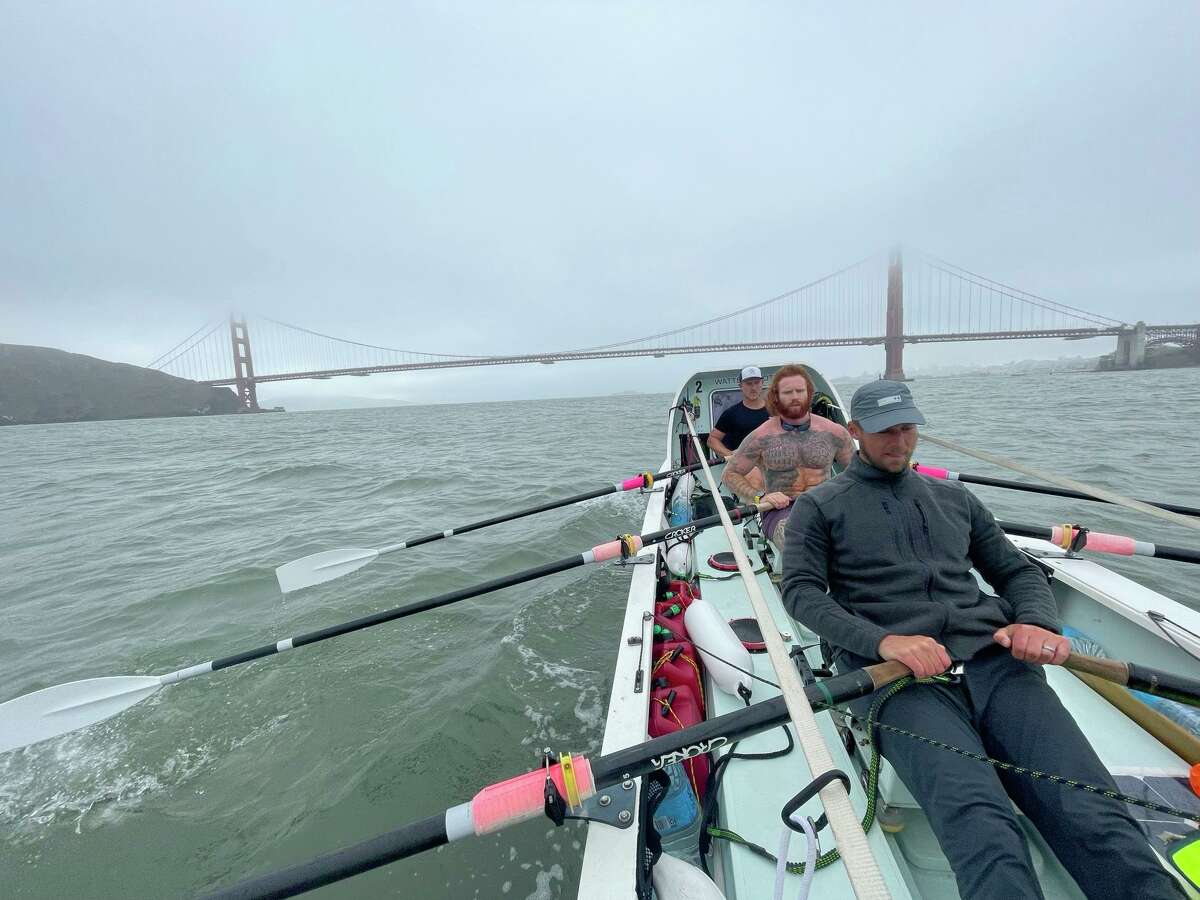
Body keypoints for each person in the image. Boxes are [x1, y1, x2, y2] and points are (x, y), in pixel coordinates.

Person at [781, 380, 1185, 900]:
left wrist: (1037, 623)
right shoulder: (820, 506)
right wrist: (884, 642)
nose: (899, 442)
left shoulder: (954, 498)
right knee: (981, 825)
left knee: (1093, 808)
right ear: (855, 432)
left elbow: (1018, 572)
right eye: (884, 432)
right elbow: (802, 594)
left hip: (995, 663)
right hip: (899, 680)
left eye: (908, 428)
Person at [721, 363, 853, 547]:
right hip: (781, 511)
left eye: (800, 391)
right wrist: (760, 497)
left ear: (809, 393)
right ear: (776, 397)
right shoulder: (761, 437)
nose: (795, 397)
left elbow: (857, 473)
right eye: (787, 392)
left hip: (826, 504)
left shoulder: (835, 433)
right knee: (798, 539)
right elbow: (729, 474)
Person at [708, 366, 770, 460]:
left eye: (756, 383)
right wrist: (732, 456)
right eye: (749, 384)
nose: (753, 388)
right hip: (744, 472)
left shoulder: (775, 411)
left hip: (772, 469)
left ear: (762, 383)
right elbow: (712, 440)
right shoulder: (731, 414)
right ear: (740, 385)